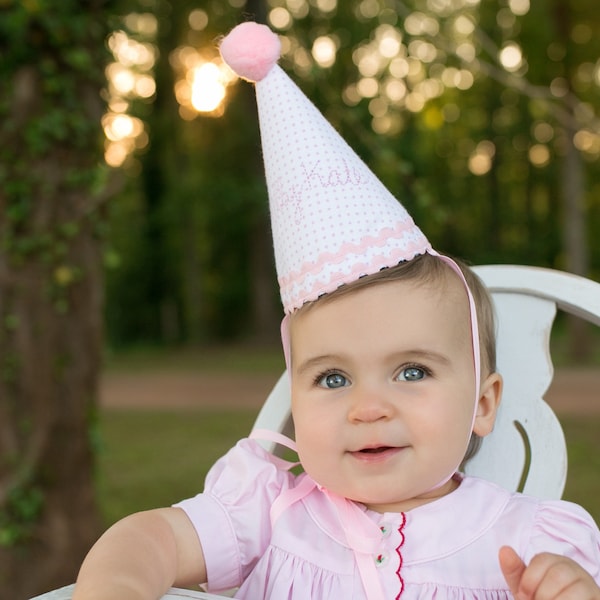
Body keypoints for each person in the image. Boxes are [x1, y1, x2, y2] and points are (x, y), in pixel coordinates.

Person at [73, 22, 600, 600]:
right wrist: (119, 585)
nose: (367, 408)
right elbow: (151, 539)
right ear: (296, 401)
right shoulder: (267, 513)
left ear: (482, 403)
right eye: (332, 377)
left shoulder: (532, 544)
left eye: (412, 371)